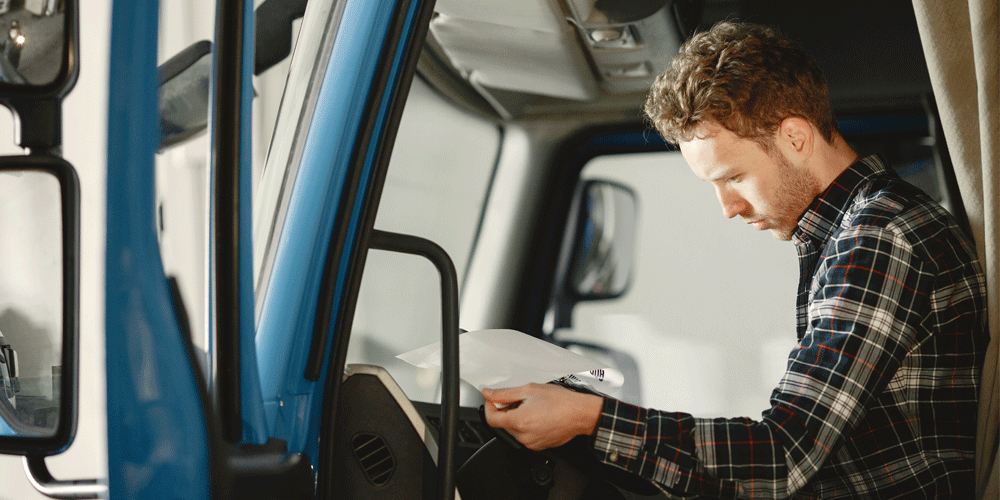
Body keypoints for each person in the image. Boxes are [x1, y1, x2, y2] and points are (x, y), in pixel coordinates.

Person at [482, 21, 988, 499]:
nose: (728, 208)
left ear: (795, 137)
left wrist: (589, 419)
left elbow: (785, 456)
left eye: (734, 178)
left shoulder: (880, 236)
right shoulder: (850, 235)